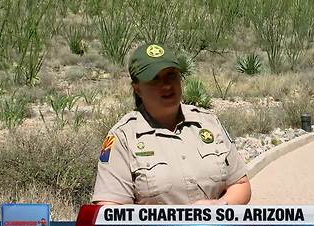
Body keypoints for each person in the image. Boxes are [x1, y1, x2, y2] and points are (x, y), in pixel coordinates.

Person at [92, 43, 251, 205]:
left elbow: (240, 184)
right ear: (137, 88)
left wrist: (220, 205)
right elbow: (109, 210)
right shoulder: (123, 137)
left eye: (171, 75)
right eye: (155, 79)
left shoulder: (208, 122)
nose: (167, 85)